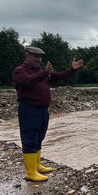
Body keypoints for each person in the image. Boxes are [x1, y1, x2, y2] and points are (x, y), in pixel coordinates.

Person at [12, 47, 84, 181]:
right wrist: (44, 73)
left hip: (42, 110)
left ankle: (37, 166)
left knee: (39, 137)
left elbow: (60, 76)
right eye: (35, 56)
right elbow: (30, 81)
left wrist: (72, 69)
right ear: (27, 55)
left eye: (40, 57)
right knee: (30, 139)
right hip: (29, 109)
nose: (38, 59)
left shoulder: (41, 72)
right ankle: (30, 172)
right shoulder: (19, 71)